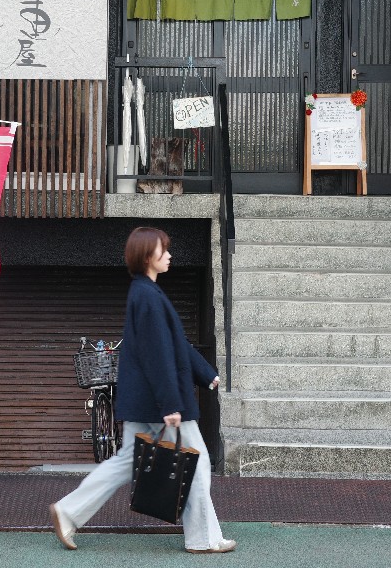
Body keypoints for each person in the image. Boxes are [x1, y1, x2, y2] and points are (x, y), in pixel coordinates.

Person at [50, 227, 235, 554]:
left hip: (145, 401)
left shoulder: (146, 293)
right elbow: (157, 355)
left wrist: (206, 374)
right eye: (164, 250)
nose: (169, 255)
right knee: (199, 462)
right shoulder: (148, 296)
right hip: (158, 403)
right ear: (148, 255)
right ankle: (202, 538)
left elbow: (174, 344)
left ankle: (68, 511)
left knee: (125, 461)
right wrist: (171, 404)